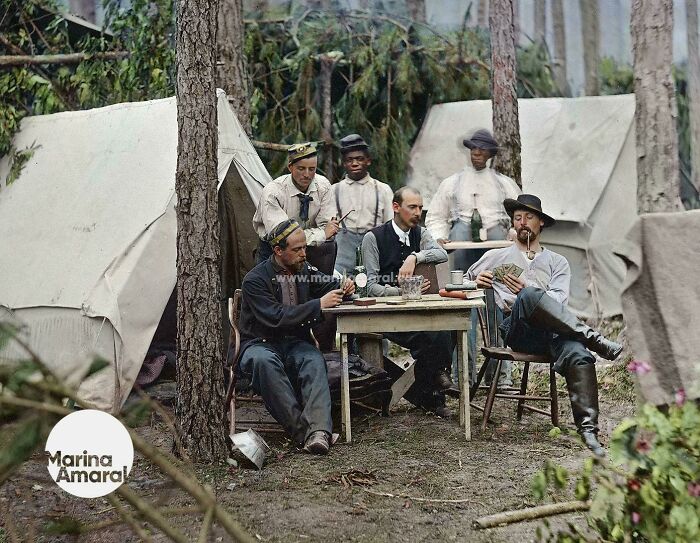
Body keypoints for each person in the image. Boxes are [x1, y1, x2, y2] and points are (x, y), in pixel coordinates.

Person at [466, 194, 622, 456]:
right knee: (526, 297)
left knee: (578, 354)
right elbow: (461, 283)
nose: (522, 223)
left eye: (529, 217)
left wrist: (530, 288)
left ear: (541, 224)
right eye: (518, 218)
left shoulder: (557, 262)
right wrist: (476, 282)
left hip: (554, 331)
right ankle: (593, 338)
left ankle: (588, 432)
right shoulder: (497, 256)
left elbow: (559, 302)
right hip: (517, 330)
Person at [237, 219, 355, 454]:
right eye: (297, 249)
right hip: (260, 344)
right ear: (278, 251)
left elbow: (328, 285)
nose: (304, 254)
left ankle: (319, 431)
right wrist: (318, 305)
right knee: (264, 362)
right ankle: (304, 433)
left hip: (294, 344)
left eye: (305, 248)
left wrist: (344, 287)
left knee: (313, 359)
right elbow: (275, 317)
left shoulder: (303, 270)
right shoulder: (255, 280)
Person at [425, 128, 521, 391]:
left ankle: (500, 376)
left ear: (490, 154)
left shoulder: (504, 184)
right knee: (464, 307)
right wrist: (441, 237)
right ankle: (462, 375)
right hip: (463, 250)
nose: (477, 154)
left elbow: (518, 216)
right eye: (473, 149)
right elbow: (435, 216)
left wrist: (513, 233)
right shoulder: (453, 183)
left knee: (497, 307)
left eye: (483, 150)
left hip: (495, 250)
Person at [361, 186, 457, 416]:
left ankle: (434, 385)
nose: (418, 212)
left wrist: (415, 256)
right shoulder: (373, 238)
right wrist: (402, 291)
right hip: (386, 315)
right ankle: (435, 389)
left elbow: (442, 254)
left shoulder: (420, 234)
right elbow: (369, 287)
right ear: (396, 207)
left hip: (416, 312)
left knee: (447, 328)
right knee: (433, 337)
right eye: (412, 207)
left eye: (421, 207)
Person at [252, 142, 339, 265]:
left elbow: (328, 229)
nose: (307, 174)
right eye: (301, 168)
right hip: (275, 250)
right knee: (272, 283)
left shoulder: (323, 187)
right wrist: (322, 234)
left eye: (312, 169)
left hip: (311, 249)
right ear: (290, 167)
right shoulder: (273, 192)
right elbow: (284, 237)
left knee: (329, 247)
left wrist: (325, 234)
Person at [332, 134, 394, 274]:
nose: (355, 163)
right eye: (350, 160)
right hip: (343, 250)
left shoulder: (382, 190)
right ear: (344, 163)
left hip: (374, 246)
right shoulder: (334, 190)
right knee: (340, 285)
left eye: (359, 159)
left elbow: (390, 225)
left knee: (374, 284)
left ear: (368, 161)